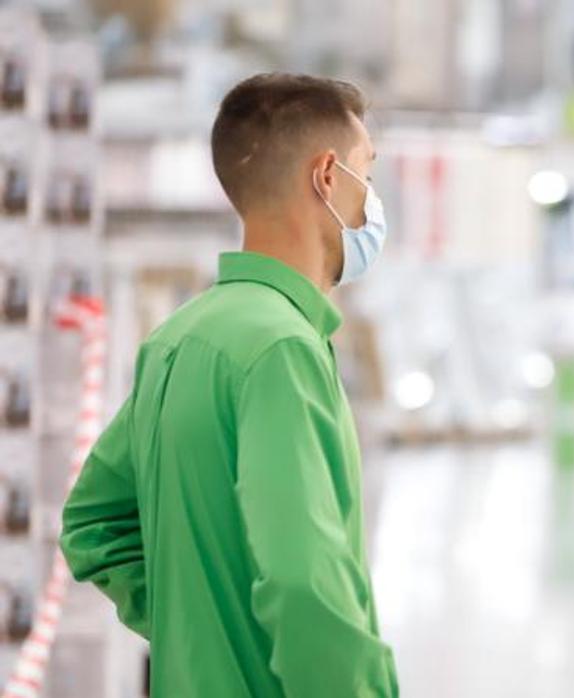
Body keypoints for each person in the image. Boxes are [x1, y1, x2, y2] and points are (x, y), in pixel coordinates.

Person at [59, 73, 397, 696]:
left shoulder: (177, 338)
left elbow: (94, 522)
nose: (372, 202)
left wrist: (198, 625)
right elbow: (304, 583)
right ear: (327, 177)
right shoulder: (282, 350)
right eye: (367, 175)